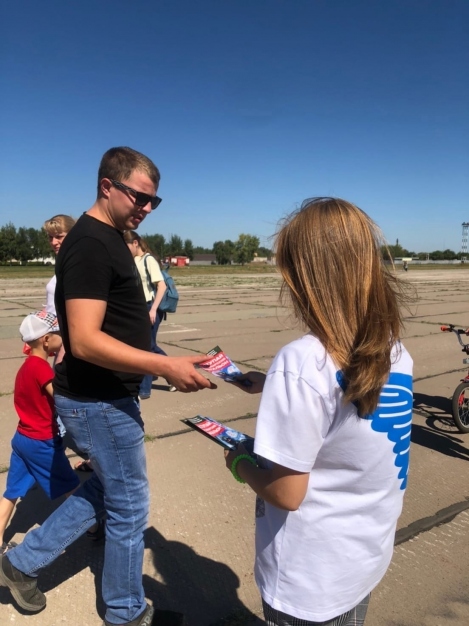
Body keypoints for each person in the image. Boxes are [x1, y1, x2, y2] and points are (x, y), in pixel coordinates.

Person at [0, 146, 215, 626]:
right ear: (106, 186)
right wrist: (164, 366)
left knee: (108, 489)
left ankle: (20, 564)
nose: (147, 207)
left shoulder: (110, 237)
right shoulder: (91, 245)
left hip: (105, 397)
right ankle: (125, 612)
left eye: (154, 201)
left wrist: (163, 361)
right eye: (140, 196)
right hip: (97, 401)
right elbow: (84, 340)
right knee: (130, 507)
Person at [224, 197, 413, 626]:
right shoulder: (394, 349)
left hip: (308, 580)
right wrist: (275, 385)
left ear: (303, 276)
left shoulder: (302, 361)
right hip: (360, 562)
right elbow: (351, 401)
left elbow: (286, 494)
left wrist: (238, 462)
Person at [0, 311, 79, 555]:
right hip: (42, 442)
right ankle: (94, 526)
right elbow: (63, 400)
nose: (61, 338)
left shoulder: (26, 367)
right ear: (46, 340)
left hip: (22, 439)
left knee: (12, 492)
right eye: (58, 334)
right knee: (73, 489)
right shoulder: (42, 369)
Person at [124, 230, 176, 397]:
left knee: (147, 348)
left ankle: (145, 390)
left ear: (135, 243)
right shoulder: (134, 260)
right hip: (139, 308)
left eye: (126, 246)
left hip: (150, 307)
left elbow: (162, 286)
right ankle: (173, 373)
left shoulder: (148, 259)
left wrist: (153, 309)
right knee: (148, 346)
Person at [43, 214, 76, 315]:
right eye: (50, 237)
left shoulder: (77, 265)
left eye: (59, 236)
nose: (53, 242)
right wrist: (46, 310)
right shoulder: (63, 264)